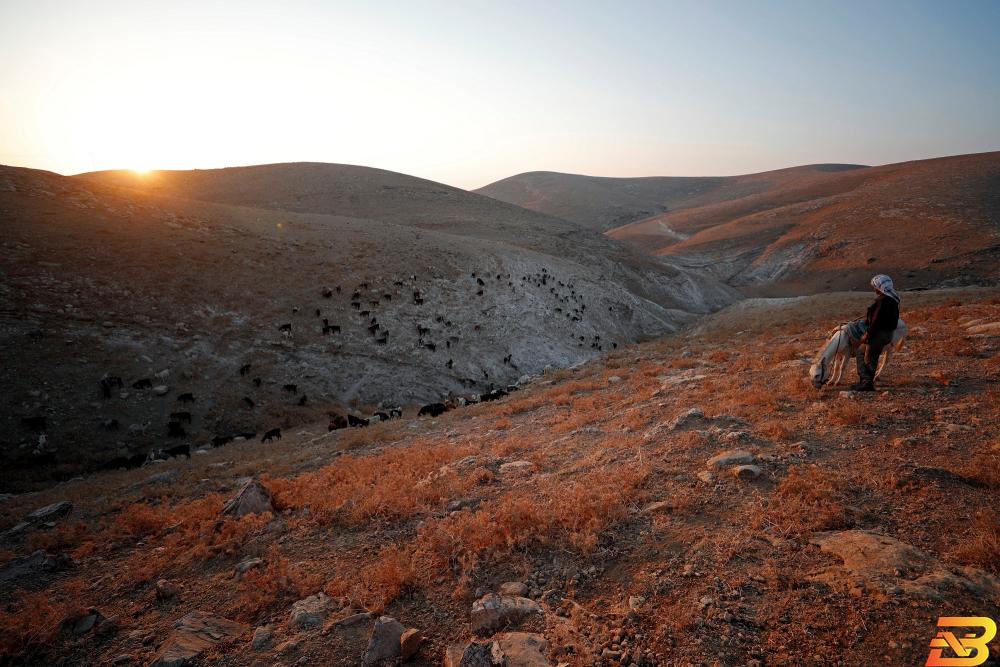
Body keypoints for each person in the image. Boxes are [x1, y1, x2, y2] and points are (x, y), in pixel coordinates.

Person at [851, 274, 900, 391]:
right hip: (887, 333)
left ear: (880, 287)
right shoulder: (894, 299)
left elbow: (876, 321)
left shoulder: (882, 301)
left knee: (869, 358)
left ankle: (867, 384)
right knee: (862, 352)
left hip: (877, 335)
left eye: (875, 287)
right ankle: (864, 381)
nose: (874, 289)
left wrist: (866, 334)